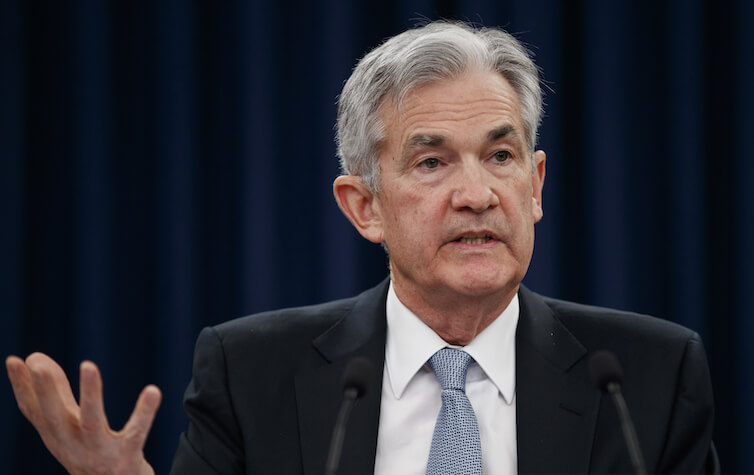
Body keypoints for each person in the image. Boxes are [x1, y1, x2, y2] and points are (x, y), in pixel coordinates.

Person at [6, 21, 715, 474]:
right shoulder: (252, 374)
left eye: (500, 156)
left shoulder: (646, 379)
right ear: (364, 206)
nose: (476, 193)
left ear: (535, 186)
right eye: (432, 162)